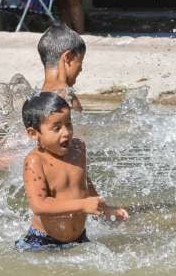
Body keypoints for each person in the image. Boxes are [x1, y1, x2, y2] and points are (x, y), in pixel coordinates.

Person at [18, 92, 129, 249]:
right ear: (34, 133)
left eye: (69, 124)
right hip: (43, 243)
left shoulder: (78, 148)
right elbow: (39, 205)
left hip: (79, 239)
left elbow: (83, 183)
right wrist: (83, 205)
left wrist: (105, 209)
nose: (66, 132)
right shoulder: (35, 161)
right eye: (56, 128)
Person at [37, 23, 85, 112]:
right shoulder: (66, 96)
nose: (81, 69)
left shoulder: (37, 98)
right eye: (80, 62)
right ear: (68, 57)